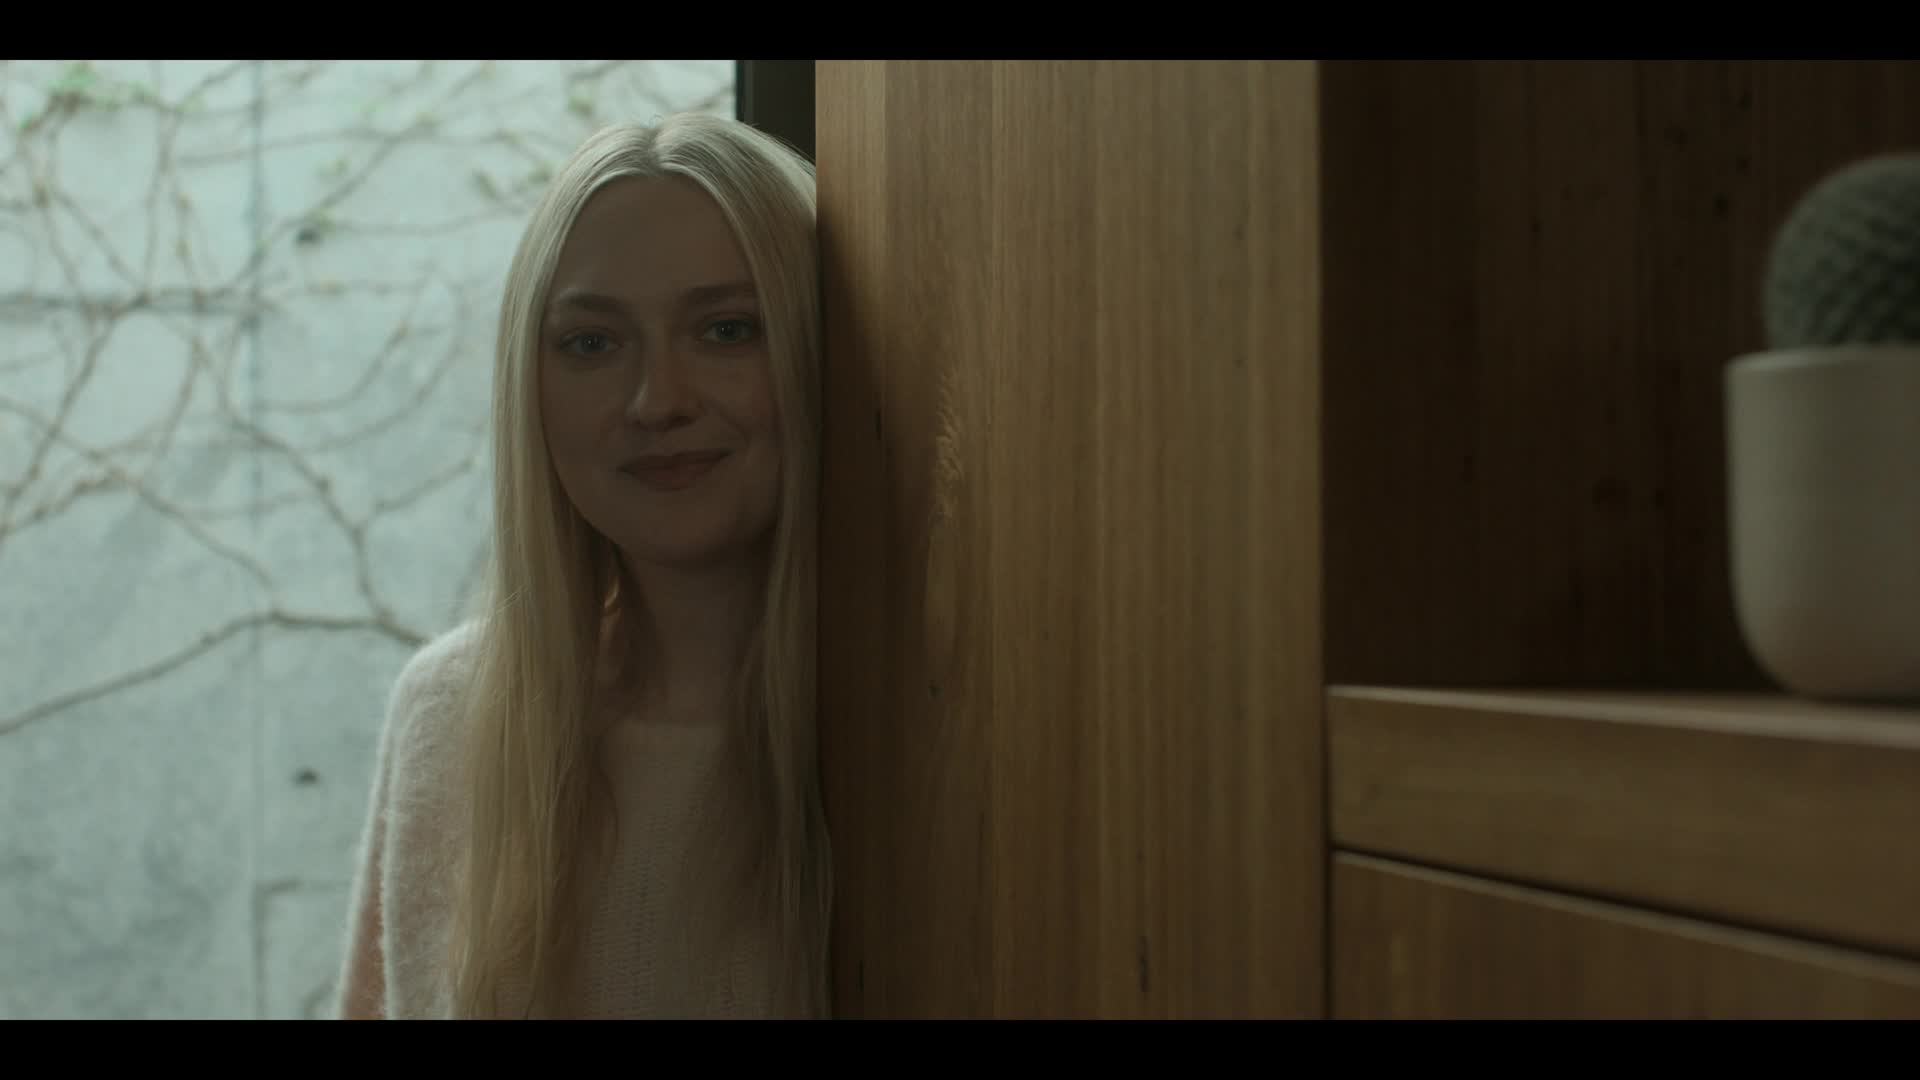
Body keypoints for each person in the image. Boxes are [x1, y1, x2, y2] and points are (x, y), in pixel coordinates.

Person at [332, 113, 832, 1020]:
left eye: (727, 329)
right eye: (593, 343)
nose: (657, 400)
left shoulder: (932, 731)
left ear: (819, 348)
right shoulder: (451, 714)